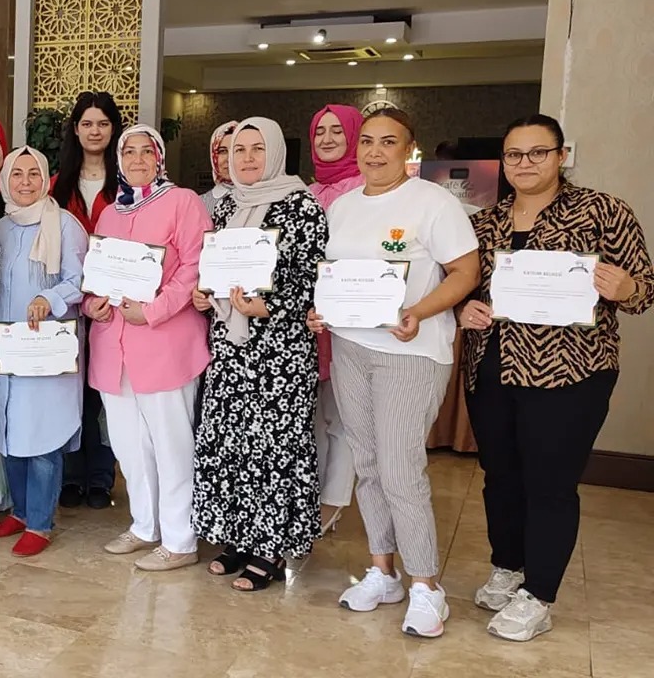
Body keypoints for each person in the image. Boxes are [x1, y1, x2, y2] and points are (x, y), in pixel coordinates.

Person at [458, 114, 653, 641]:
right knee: (500, 476)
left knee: (550, 482)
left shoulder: (603, 211)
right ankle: (509, 565)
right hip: (493, 365)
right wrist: (463, 310)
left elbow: (646, 289)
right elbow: (464, 288)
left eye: (537, 152)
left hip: (572, 372)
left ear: (560, 156)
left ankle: (539, 594)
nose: (524, 163)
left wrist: (627, 288)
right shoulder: (484, 222)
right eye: (513, 154)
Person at [308, 107, 479, 637]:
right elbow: (333, 276)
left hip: (411, 352)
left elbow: (465, 271)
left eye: (389, 142)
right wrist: (321, 310)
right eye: (368, 142)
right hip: (351, 346)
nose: (375, 152)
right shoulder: (344, 207)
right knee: (367, 462)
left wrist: (419, 312)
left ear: (409, 149)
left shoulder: (433, 202)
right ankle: (384, 572)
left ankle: (427, 585)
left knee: (401, 467)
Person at [191, 117, 326, 590]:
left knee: (273, 449)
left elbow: (314, 279)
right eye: (238, 150)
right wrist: (204, 294)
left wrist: (269, 307)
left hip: (280, 354)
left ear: (275, 153)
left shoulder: (303, 206)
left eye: (257, 148)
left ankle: (269, 548)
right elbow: (215, 268)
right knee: (232, 444)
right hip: (231, 350)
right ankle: (238, 539)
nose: (247, 158)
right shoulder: (228, 205)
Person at [84, 124, 211, 572]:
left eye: (146, 151)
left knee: (171, 445)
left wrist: (154, 310)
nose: (137, 159)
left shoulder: (183, 202)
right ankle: (144, 525)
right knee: (128, 445)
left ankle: (180, 539)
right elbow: (95, 273)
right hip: (113, 347)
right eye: (129, 152)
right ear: (119, 160)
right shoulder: (109, 213)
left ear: (159, 157)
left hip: (164, 345)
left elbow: (195, 266)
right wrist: (93, 304)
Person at [0, 147, 88, 557]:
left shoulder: (65, 225)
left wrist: (49, 297)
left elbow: (81, 280)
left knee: (44, 436)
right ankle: (21, 511)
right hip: (6, 351)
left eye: (33, 174)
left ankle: (41, 523)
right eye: (17, 174)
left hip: (47, 350)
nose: (25, 182)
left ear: (46, 179)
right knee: (10, 433)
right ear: (5, 180)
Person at [49, 90, 123, 509]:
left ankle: (101, 477)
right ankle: (73, 475)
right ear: (75, 130)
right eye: (87, 123)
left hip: (116, 305)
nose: (95, 131)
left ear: (113, 130)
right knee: (71, 390)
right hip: (70, 305)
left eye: (103, 124)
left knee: (105, 394)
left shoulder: (127, 183)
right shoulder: (57, 186)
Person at [308, 104, 365, 535]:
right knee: (313, 415)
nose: (327, 139)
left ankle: (333, 501)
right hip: (308, 319)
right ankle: (311, 493)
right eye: (319, 132)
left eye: (337, 131)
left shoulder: (366, 190)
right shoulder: (305, 193)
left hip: (350, 319)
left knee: (342, 416)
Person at [199, 120, 238, 215]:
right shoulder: (198, 204)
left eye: (237, 151)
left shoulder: (263, 200)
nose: (229, 159)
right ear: (213, 156)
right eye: (222, 151)